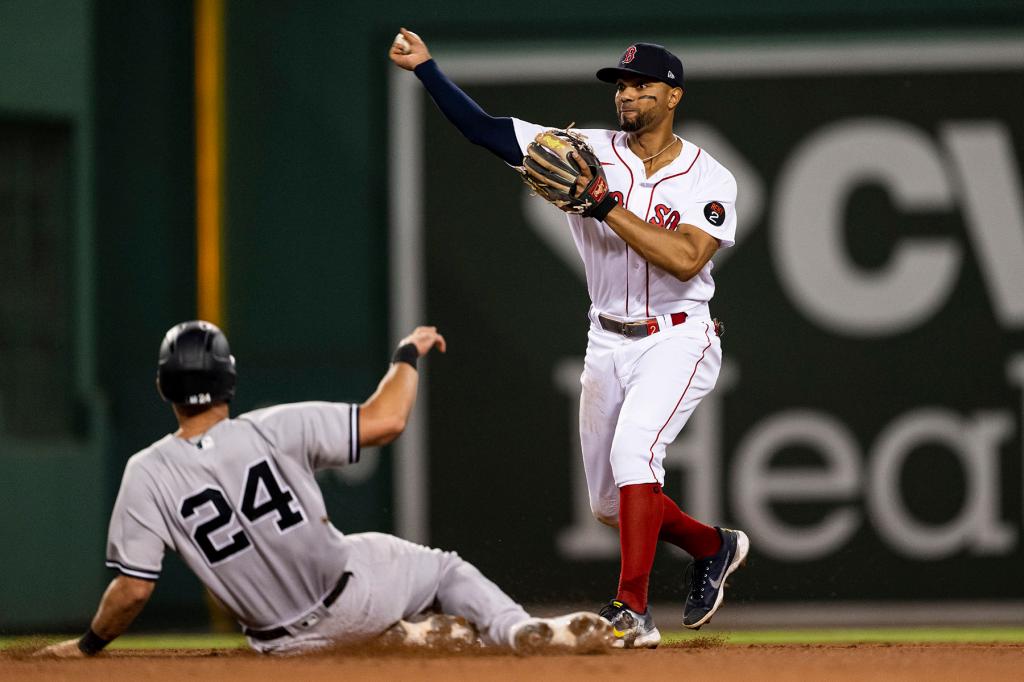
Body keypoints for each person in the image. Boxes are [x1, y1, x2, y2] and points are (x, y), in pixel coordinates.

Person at [390, 29, 750, 648]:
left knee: (636, 454)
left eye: (641, 84)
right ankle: (713, 546)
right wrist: (427, 70)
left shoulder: (707, 178)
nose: (627, 94)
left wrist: (605, 204)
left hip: (678, 337)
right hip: (606, 339)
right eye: (621, 84)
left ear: (673, 96)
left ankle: (631, 612)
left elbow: (688, 259)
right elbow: (485, 130)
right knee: (611, 506)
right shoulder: (583, 149)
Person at [37, 320, 611, 657]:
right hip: (353, 596)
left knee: (375, 591)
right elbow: (386, 421)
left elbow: (133, 591)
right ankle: (514, 629)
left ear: (164, 385)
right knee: (442, 569)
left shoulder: (146, 471)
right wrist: (406, 355)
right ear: (227, 379)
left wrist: (86, 646)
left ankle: (409, 637)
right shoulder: (272, 426)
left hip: (284, 645)